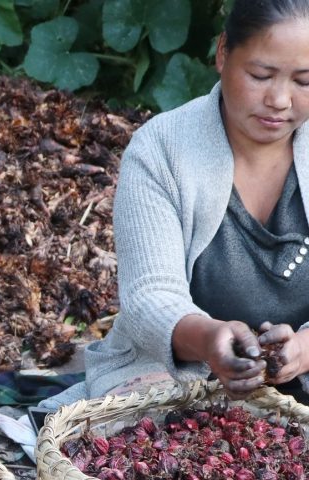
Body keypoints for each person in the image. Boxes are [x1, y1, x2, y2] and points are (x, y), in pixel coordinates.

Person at [39, 0, 309, 412]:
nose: (279, 99)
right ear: (222, 53)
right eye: (260, 75)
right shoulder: (162, 149)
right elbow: (150, 293)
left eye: (304, 82)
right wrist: (209, 340)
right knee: (145, 445)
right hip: (179, 376)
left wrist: (303, 350)